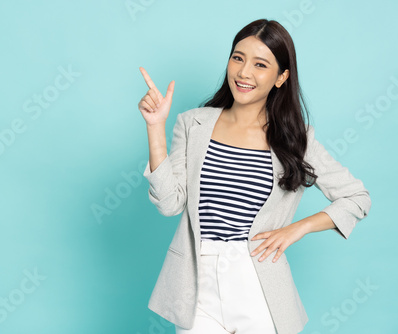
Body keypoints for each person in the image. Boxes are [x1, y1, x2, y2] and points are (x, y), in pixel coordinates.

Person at [138, 19, 371, 334]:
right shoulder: (193, 124)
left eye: (260, 64)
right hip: (197, 285)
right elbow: (169, 204)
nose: (244, 72)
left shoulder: (296, 140)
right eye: (238, 58)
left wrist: (296, 230)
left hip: (258, 283)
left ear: (281, 77)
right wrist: (155, 127)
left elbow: (357, 198)